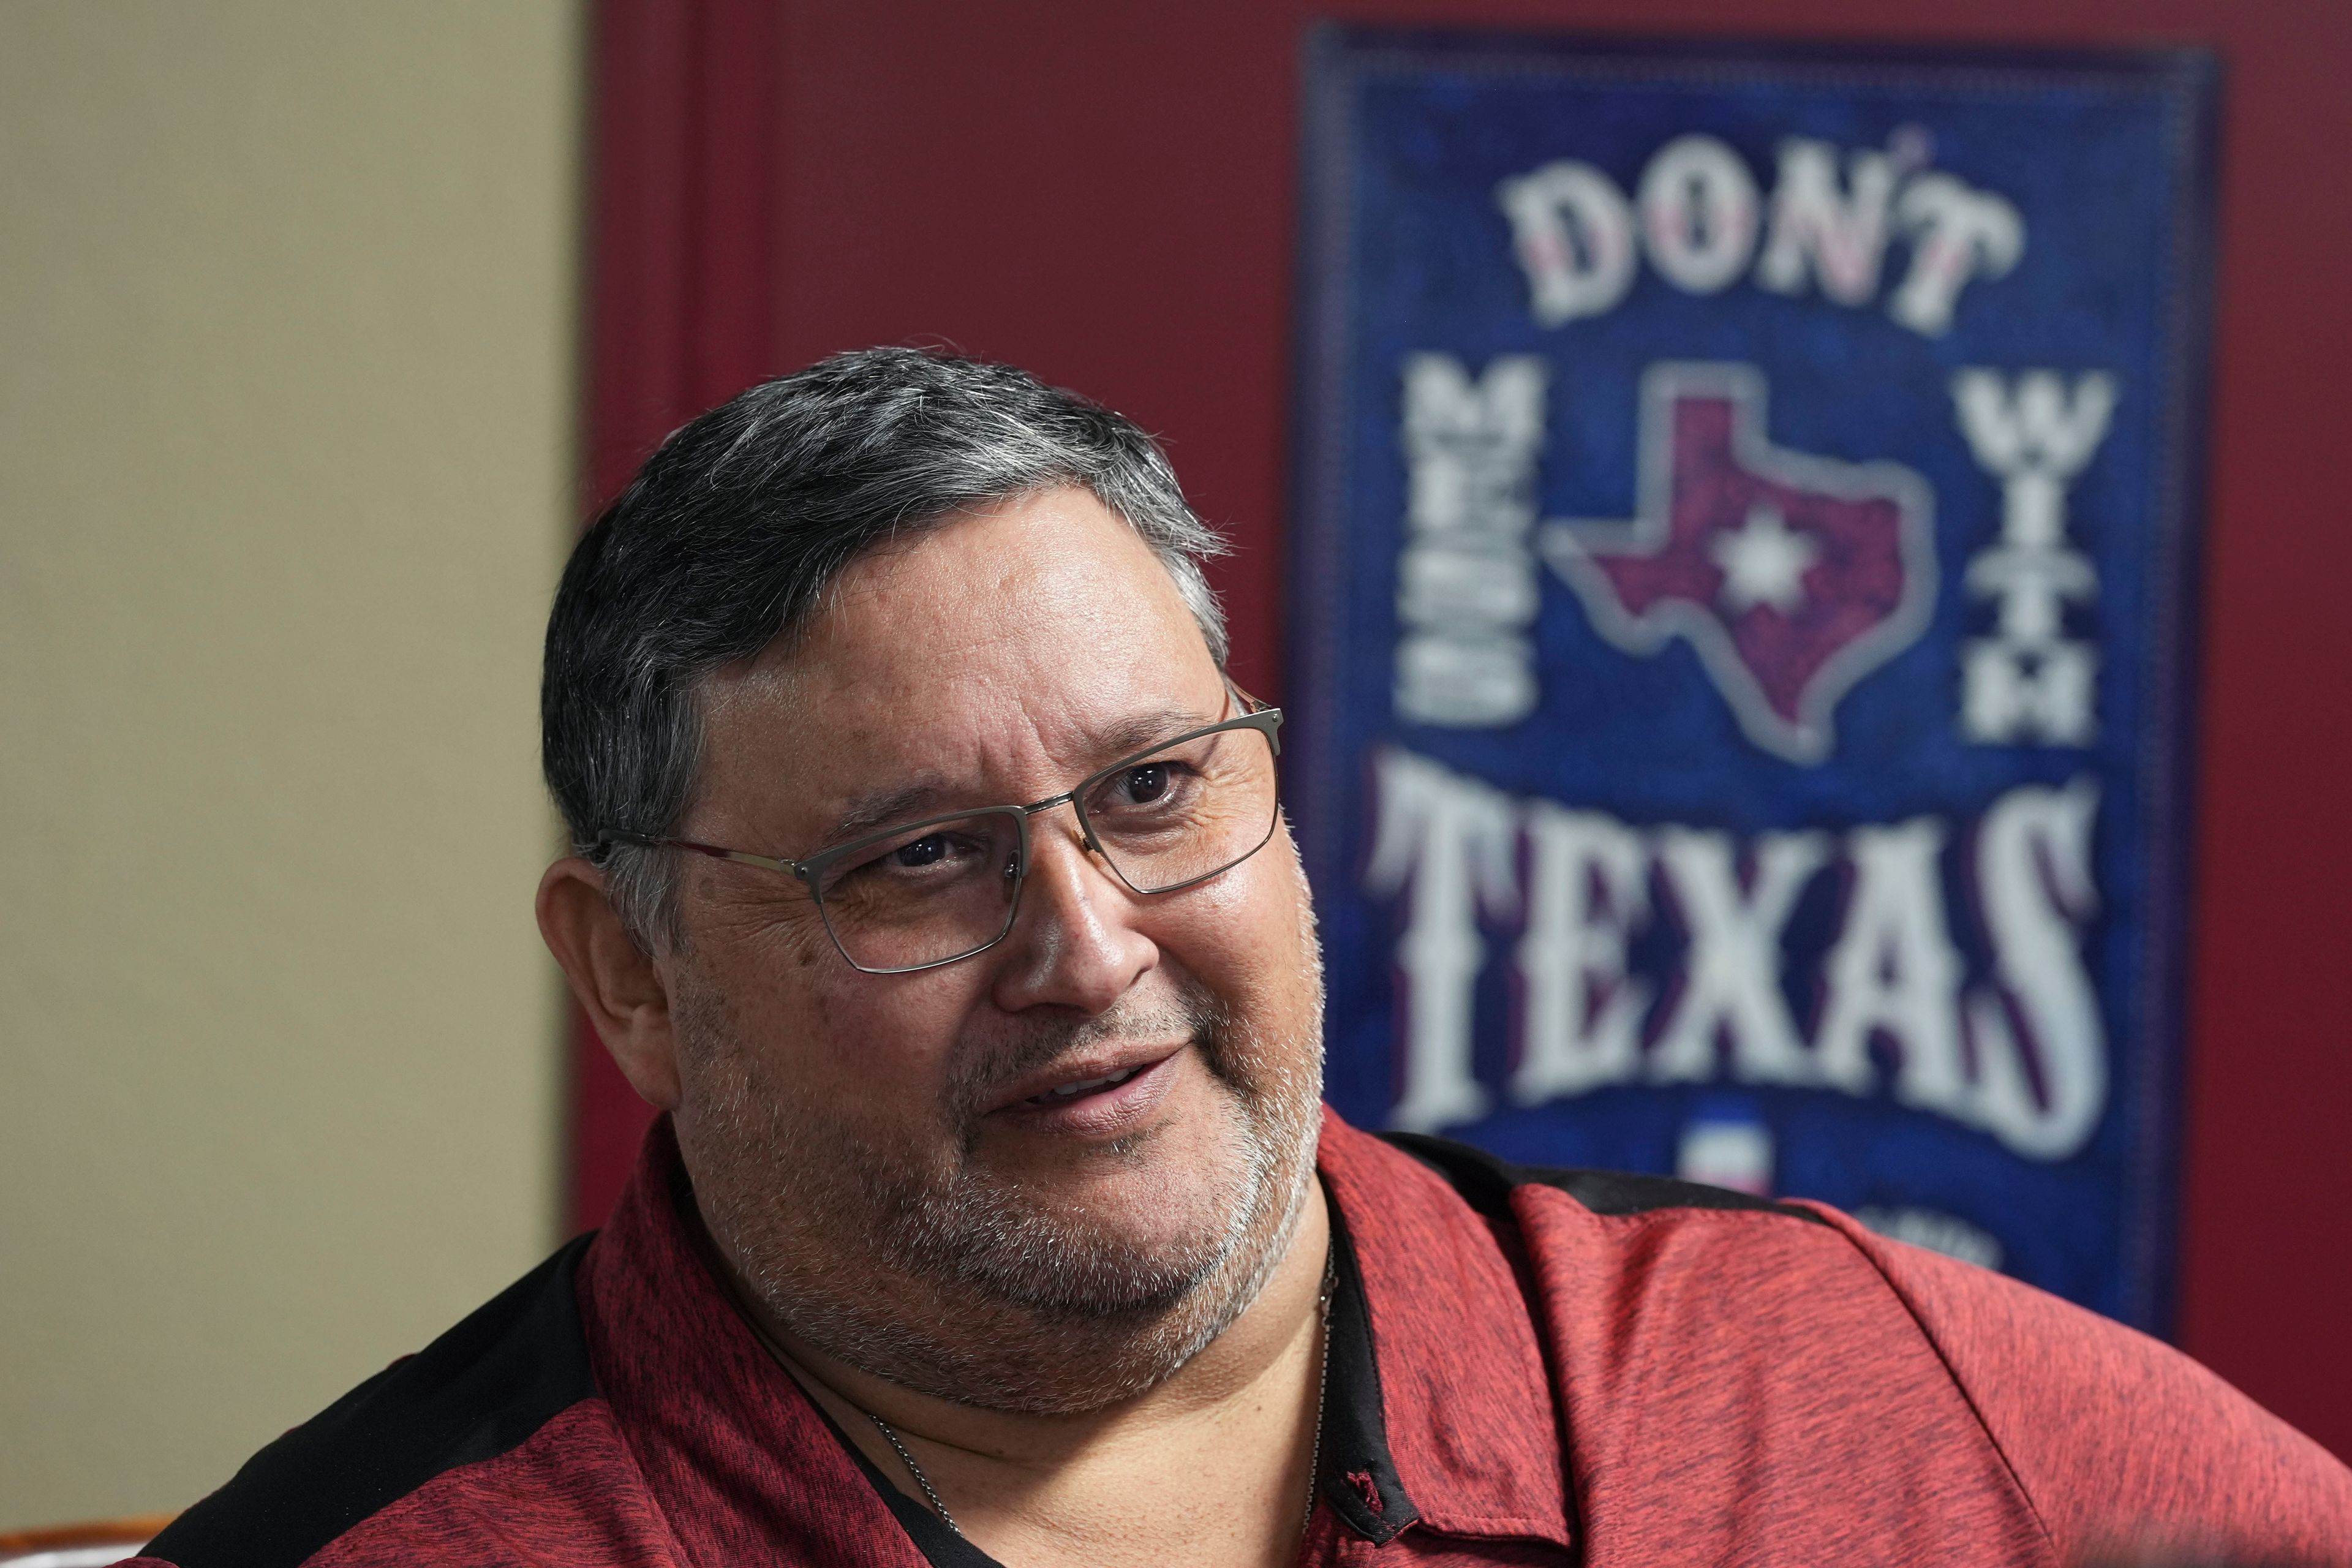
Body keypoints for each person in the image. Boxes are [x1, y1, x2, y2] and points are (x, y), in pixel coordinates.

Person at [135, 349, 2351, 1568]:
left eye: (1154, 790)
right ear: (629, 972)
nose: (1084, 946)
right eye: (919, 862)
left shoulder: (1854, 1404)